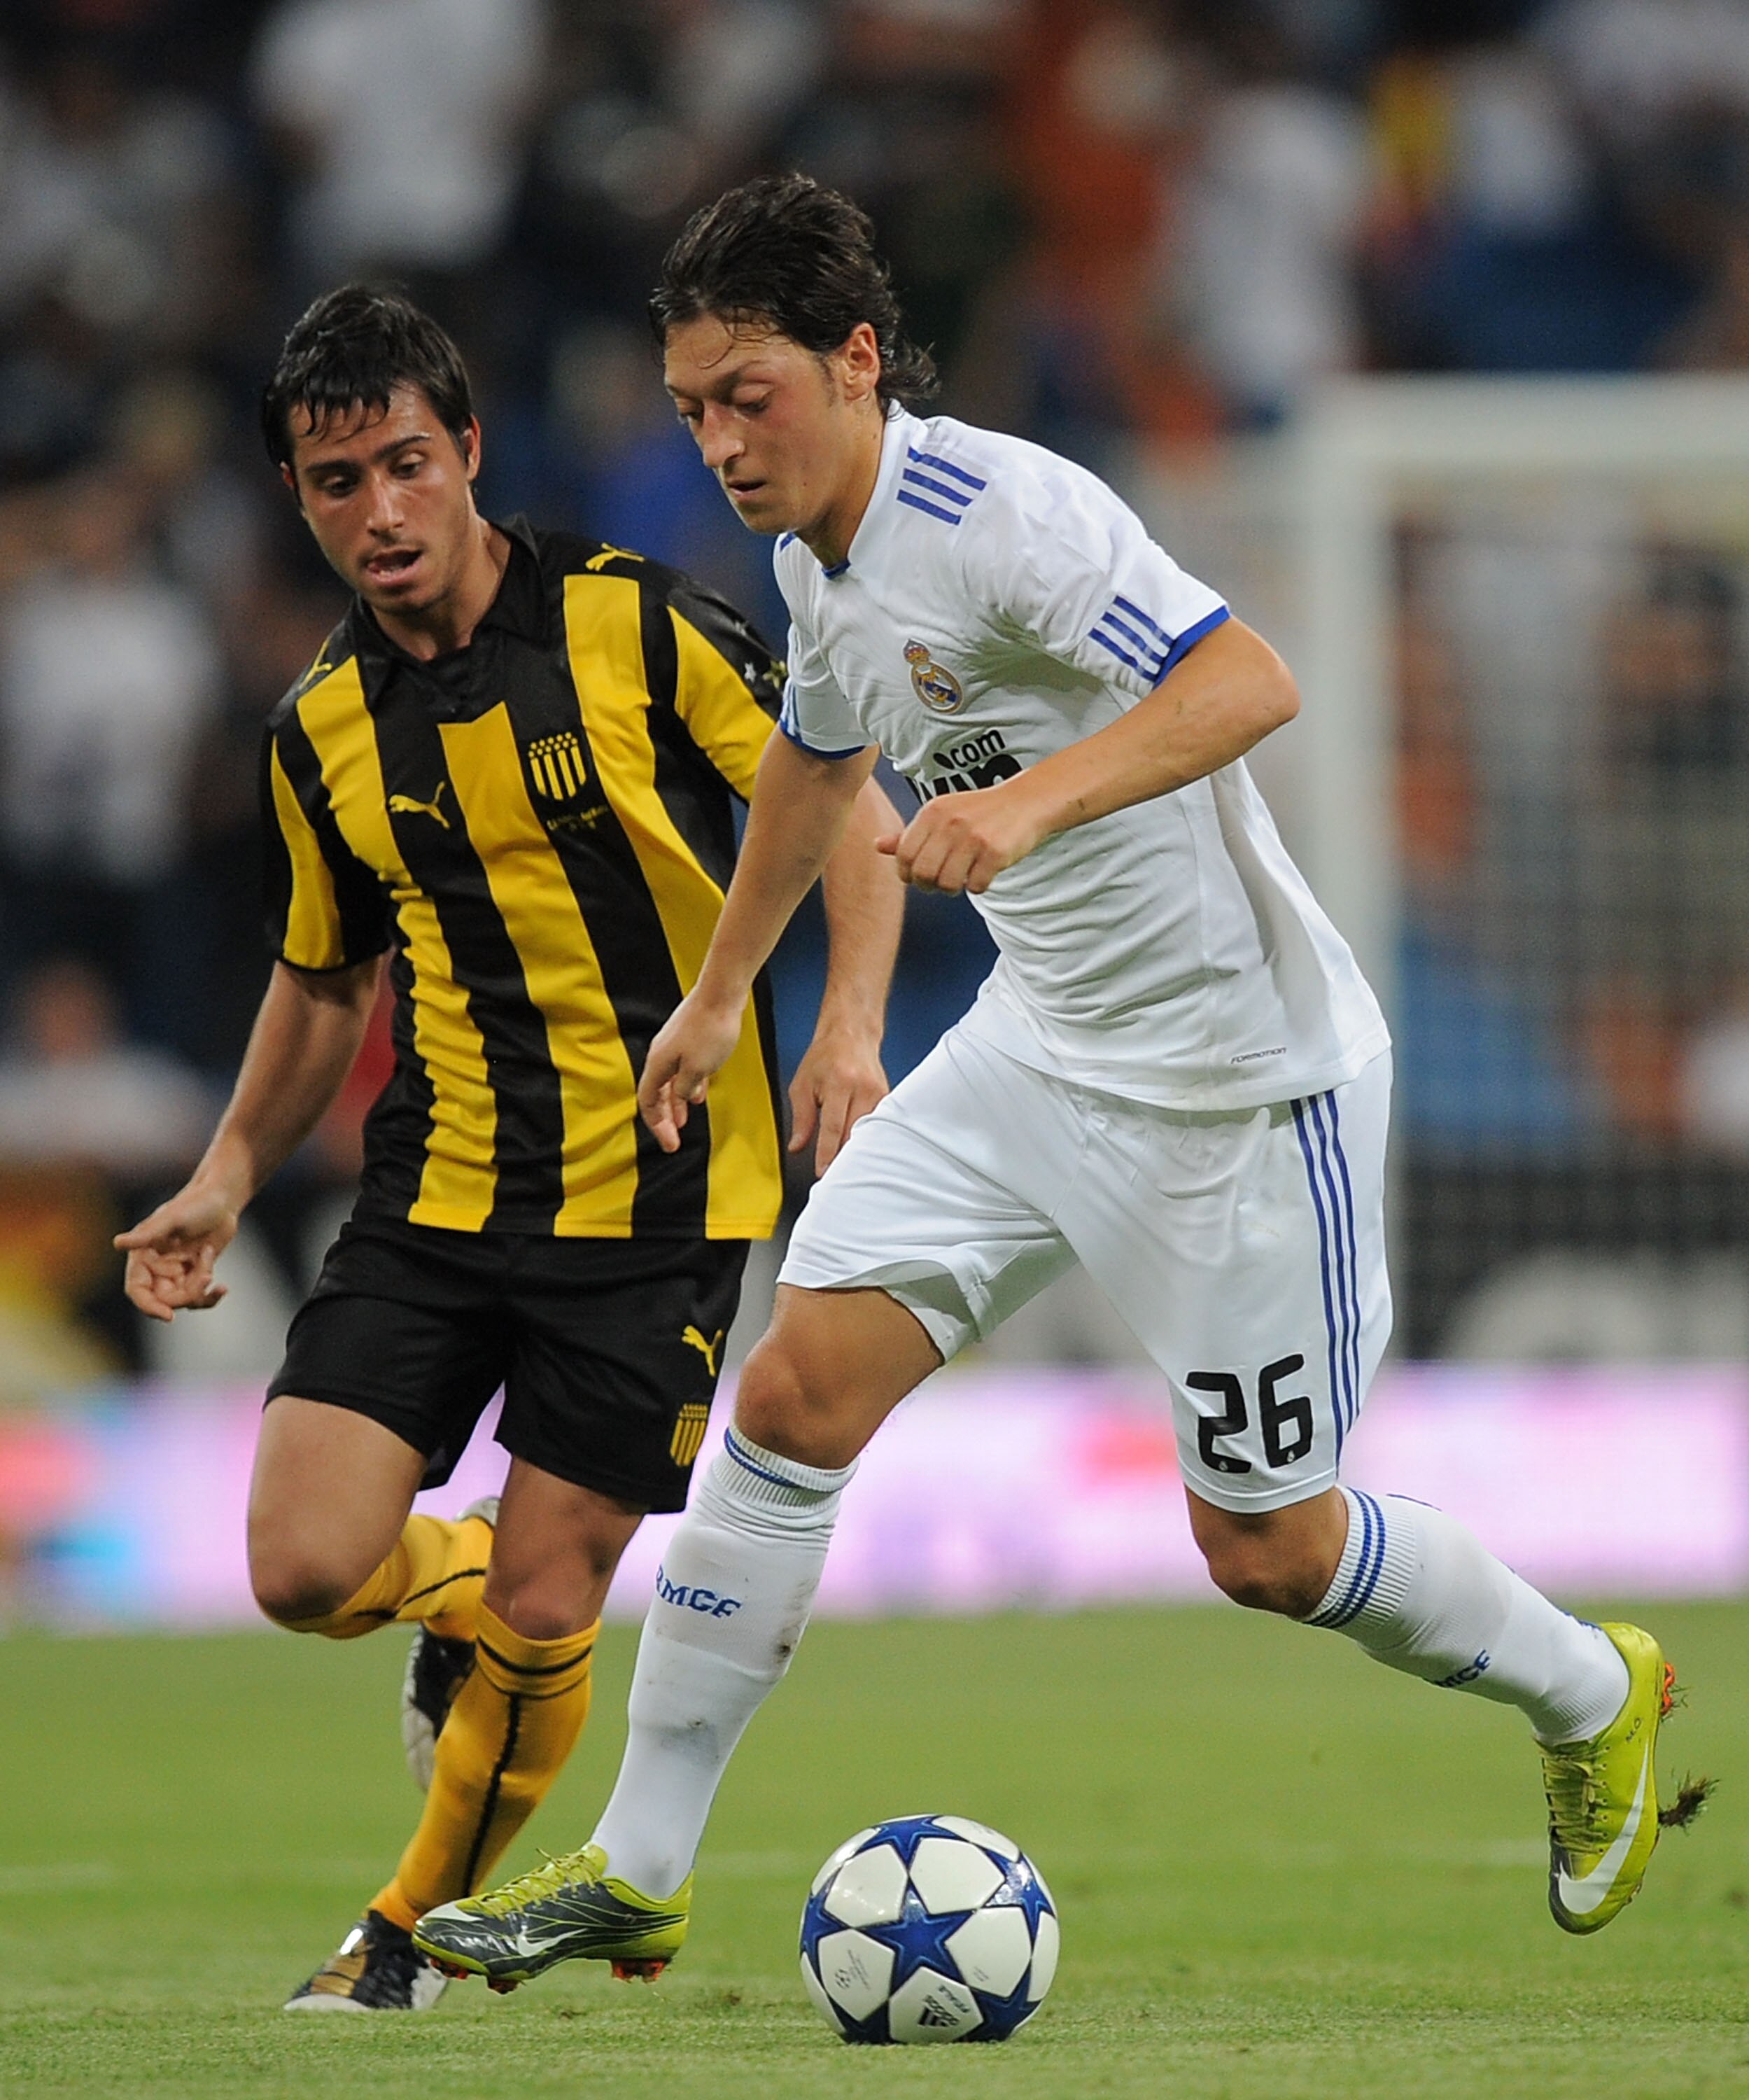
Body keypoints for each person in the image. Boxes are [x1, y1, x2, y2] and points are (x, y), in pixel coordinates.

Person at [413, 175, 1700, 1991]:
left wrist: (1021, 805)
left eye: (747, 397)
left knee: (1264, 1548)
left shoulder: (1005, 514)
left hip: (1235, 1091)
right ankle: (640, 1865)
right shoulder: (812, 562)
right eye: (692, 407)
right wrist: (722, 997)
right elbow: (813, 765)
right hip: (1035, 1050)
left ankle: (1587, 1687)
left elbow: (1247, 681)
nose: (717, 443)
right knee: (789, 1395)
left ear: (856, 361)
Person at [115, 283, 903, 2011]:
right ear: (297, 498)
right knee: (300, 1571)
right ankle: (464, 1581)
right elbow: (321, 976)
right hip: (441, 1190)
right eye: (337, 483)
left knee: (556, 1600)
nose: (381, 511)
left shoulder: (634, 623)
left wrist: (847, 1025)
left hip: (662, 1196)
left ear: (469, 450)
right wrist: (227, 1173)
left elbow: (842, 804)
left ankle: (397, 1941)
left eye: (407, 463)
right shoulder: (319, 731)